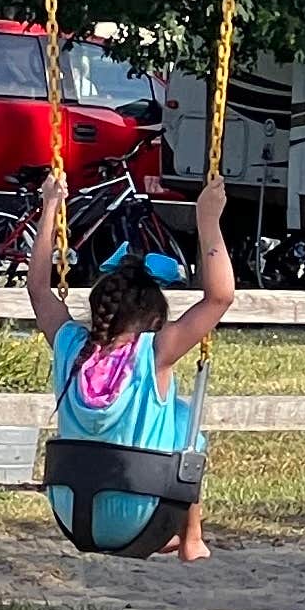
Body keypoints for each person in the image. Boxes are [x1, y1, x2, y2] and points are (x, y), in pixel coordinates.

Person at [28, 171, 234, 560]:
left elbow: (38, 289)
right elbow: (220, 298)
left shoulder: (70, 345)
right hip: (139, 517)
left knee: (175, 416)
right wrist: (208, 220)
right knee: (183, 423)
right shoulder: (154, 352)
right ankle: (192, 540)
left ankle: (188, 539)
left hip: (74, 513)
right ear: (155, 319)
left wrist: (50, 206)